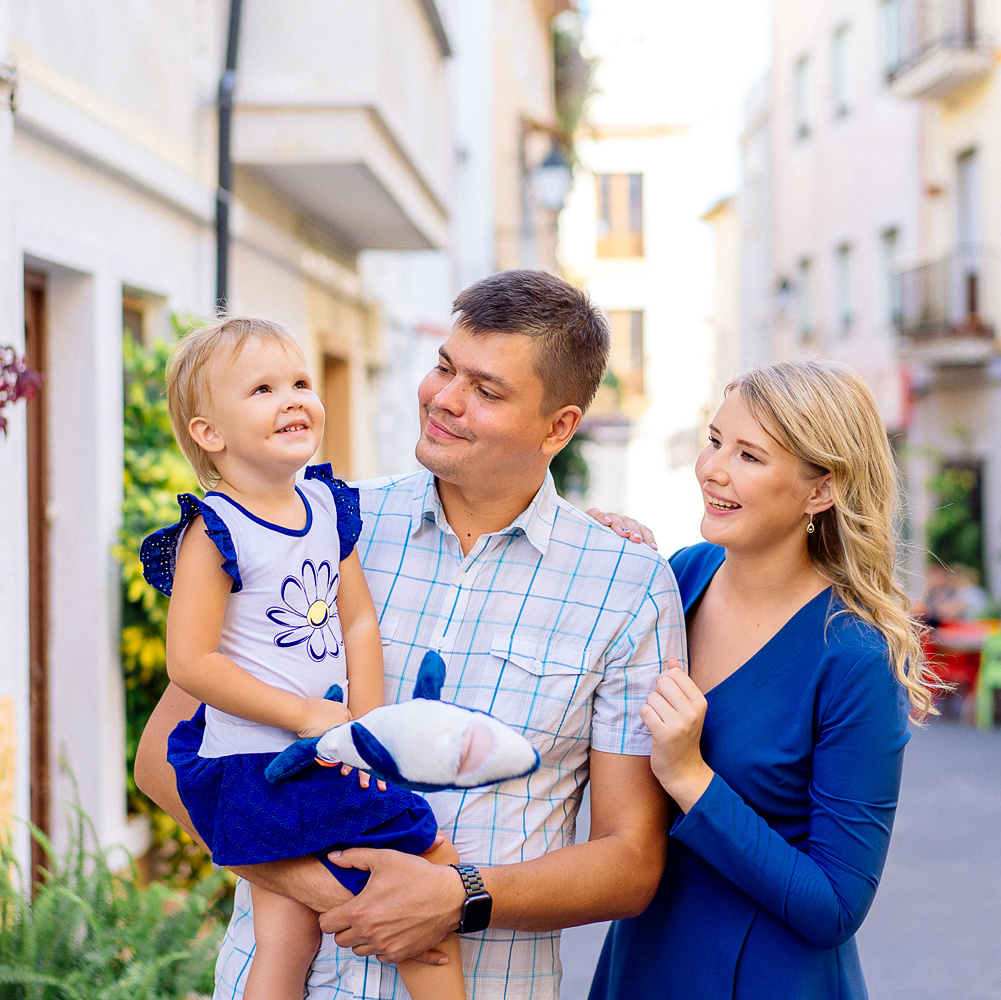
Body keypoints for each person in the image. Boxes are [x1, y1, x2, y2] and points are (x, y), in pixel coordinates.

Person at [134, 269, 686, 999]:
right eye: (444, 367)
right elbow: (164, 764)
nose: (445, 399)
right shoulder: (319, 522)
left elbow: (629, 863)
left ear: (559, 427)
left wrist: (458, 896)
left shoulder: (625, 585)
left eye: (486, 390)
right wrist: (345, 897)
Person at [588, 360, 936, 1000]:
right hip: (642, 957)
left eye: (749, 455)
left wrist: (690, 777)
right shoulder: (681, 577)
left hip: (764, 975)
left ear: (820, 490)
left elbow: (836, 906)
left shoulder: (857, 656)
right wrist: (601, 568)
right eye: (715, 440)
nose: (712, 468)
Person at [140, 316, 466, 1000]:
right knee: (425, 855)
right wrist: (301, 714)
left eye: (299, 383)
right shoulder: (215, 531)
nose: (292, 399)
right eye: (262, 389)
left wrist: (366, 729)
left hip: (326, 752)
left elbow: (358, 620)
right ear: (209, 433)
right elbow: (190, 664)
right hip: (257, 766)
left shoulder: (323, 504)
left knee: (293, 934)